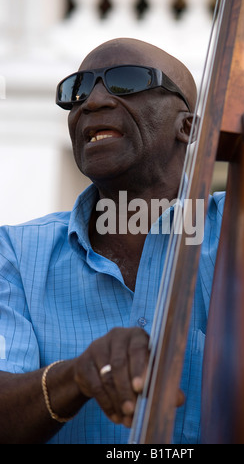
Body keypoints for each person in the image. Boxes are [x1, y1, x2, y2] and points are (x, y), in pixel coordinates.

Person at [0, 38, 225, 444]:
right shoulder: (15, 254)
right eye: (77, 90)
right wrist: (76, 375)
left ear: (187, 126)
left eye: (126, 83)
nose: (92, 101)